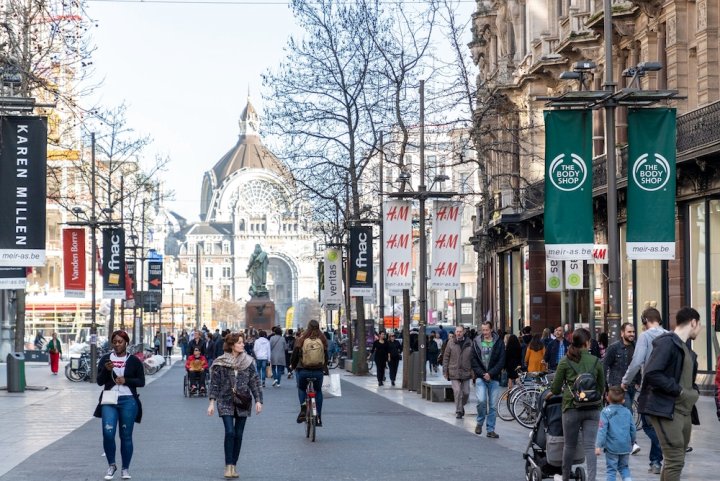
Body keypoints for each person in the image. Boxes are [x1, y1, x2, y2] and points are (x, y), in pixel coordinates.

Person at [637, 307, 702, 481]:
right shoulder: (667, 342)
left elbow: (684, 377)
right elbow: (652, 373)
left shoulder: (683, 347)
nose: (700, 329)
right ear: (693, 322)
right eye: (700, 325)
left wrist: (693, 391)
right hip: (667, 409)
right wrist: (679, 391)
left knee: (676, 459)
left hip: (682, 410)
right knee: (675, 459)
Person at [549, 328, 605, 481]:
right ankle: (591, 478)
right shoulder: (596, 361)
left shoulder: (565, 361)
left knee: (569, 446)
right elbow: (602, 387)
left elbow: (555, 389)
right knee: (589, 446)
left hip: (571, 407)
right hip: (593, 408)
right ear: (587, 343)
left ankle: (565, 477)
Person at [208, 332, 263, 479]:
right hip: (225, 400)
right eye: (239, 343)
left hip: (243, 401)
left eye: (242, 342)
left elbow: (254, 382)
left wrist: (258, 400)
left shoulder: (249, 362)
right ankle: (228, 466)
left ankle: (234, 466)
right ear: (232, 345)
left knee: (238, 435)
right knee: (230, 432)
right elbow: (214, 384)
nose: (242, 344)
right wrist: (211, 402)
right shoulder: (221, 362)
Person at [95, 330, 145, 481]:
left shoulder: (135, 361)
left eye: (120, 342)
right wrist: (106, 370)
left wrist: (126, 380)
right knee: (108, 433)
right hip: (109, 399)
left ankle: (125, 468)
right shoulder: (105, 359)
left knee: (126, 435)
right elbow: (99, 381)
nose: (117, 345)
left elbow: (141, 382)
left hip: (128, 400)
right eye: (115, 342)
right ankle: (111, 465)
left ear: (126, 343)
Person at [621, 307, 667, 474]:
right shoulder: (670, 335)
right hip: (668, 387)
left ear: (645, 321)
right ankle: (656, 461)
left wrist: (625, 381)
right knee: (662, 424)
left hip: (650, 386)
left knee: (647, 424)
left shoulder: (645, 337)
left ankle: (661, 454)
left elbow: (637, 361)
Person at [290, 319, 328, 426]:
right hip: (318, 371)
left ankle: (303, 408)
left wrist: (293, 366)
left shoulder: (302, 339)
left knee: (302, 388)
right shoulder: (322, 339)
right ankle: (318, 416)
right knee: (318, 391)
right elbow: (326, 356)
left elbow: (295, 355)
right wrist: (325, 368)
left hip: (303, 370)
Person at [471, 321, 506, 438]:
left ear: (491, 329)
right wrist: (482, 373)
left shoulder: (499, 343)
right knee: (481, 401)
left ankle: (490, 429)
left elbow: (501, 361)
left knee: (492, 405)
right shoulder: (476, 342)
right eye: (483, 330)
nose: (485, 332)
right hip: (481, 377)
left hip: (494, 378)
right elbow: (473, 361)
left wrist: (490, 373)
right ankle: (480, 422)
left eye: (487, 330)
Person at [595, 386, 637, 481]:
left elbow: (602, 430)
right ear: (623, 400)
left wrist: (598, 446)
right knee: (624, 468)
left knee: (611, 470)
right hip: (625, 446)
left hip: (611, 447)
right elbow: (633, 429)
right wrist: (632, 441)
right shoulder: (627, 412)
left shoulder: (605, 412)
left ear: (607, 398)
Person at [603, 323, 640, 413]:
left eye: (633, 332)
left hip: (632, 386)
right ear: (622, 333)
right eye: (629, 332)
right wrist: (605, 386)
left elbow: (638, 365)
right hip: (618, 387)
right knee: (628, 412)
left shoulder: (637, 346)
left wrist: (638, 381)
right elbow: (604, 365)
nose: (632, 334)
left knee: (623, 413)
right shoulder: (614, 348)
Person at [443, 325, 473, 419]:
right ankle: (459, 411)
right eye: (457, 331)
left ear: (463, 332)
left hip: (466, 371)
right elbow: (446, 357)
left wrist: (473, 371)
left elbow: (473, 358)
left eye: (460, 331)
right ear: (455, 332)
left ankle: (461, 406)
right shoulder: (451, 343)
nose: (458, 333)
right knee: (457, 391)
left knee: (466, 392)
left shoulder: (469, 343)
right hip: (453, 371)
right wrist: (445, 370)